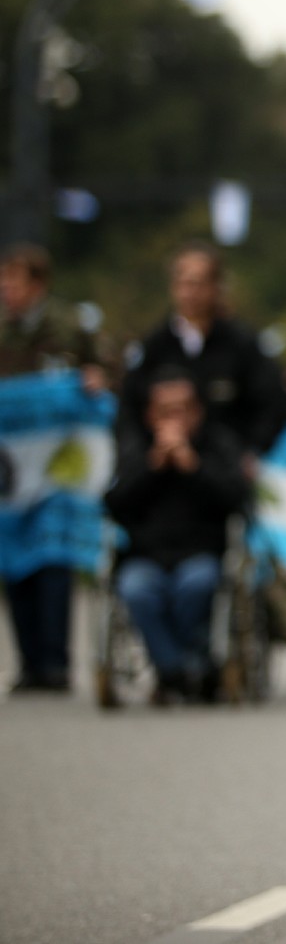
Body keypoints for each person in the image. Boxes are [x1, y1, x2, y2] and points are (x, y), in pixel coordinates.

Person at [1, 243, 111, 694]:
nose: (7, 291)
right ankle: (29, 662)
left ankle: (56, 662)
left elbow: (107, 365)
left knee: (52, 559)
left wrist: (96, 376)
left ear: (38, 284)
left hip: (58, 468)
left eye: (15, 281)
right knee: (14, 563)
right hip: (12, 470)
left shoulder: (70, 326)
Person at [104, 368, 251, 706]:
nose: (174, 418)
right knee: (137, 590)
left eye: (182, 409)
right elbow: (114, 503)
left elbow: (236, 499)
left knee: (196, 584)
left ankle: (185, 664)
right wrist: (152, 467)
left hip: (201, 551)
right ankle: (177, 669)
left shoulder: (217, 443)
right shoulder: (136, 447)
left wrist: (194, 467)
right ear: (149, 415)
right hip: (146, 555)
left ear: (197, 411)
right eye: (164, 411)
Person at [121, 242, 285, 459]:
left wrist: (253, 450)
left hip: (226, 467)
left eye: (198, 284)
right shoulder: (154, 346)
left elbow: (270, 403)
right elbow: (129, 407)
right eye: (183, 283)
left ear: (216, 287)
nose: (190, 293)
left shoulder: (242, 344)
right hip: (163, 463)